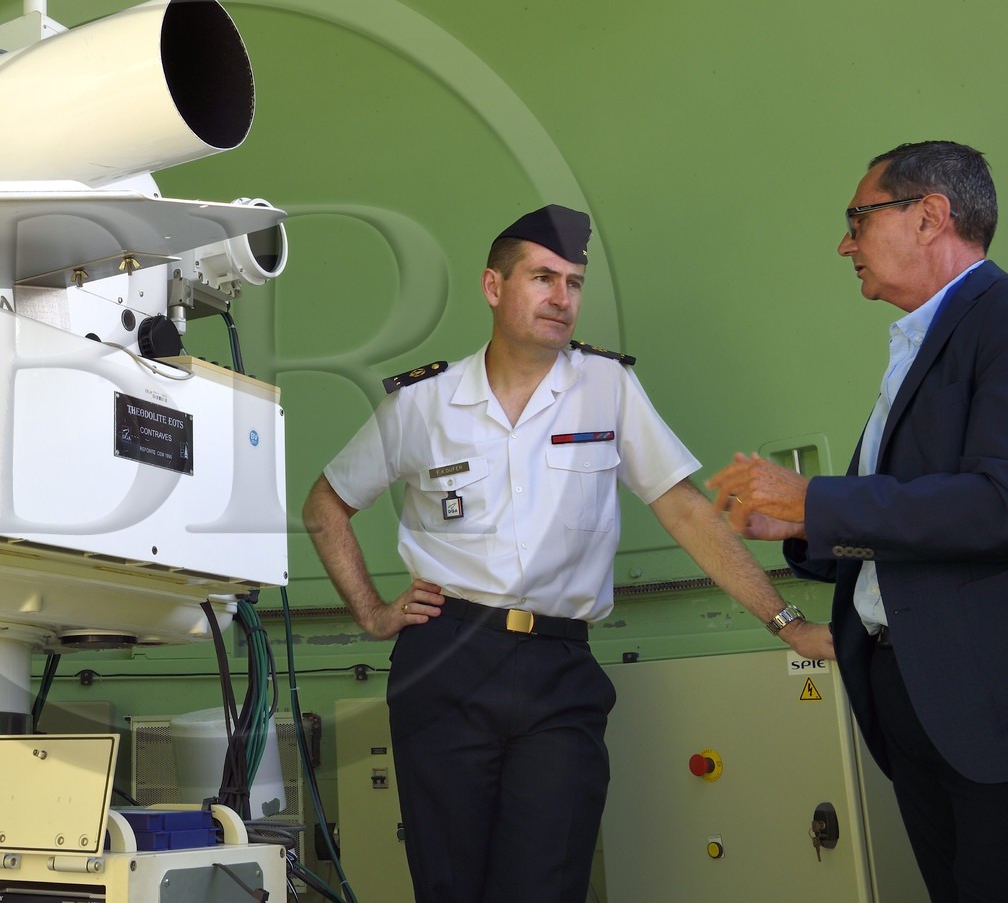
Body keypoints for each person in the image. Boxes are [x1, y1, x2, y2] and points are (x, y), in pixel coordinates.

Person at [303, 204, 833, 903]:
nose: (562, 298)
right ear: (494, 287)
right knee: (449, 883)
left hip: (560, 668)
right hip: (447, 660)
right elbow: (324, 507)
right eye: (544, 278)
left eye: (575, 283)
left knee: (549, 883)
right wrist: (372, 613)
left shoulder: (606, 388)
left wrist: (784, 620)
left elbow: (683, 509)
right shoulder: (423, 404)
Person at [709, 140, 1008, 903]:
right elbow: (906, 525)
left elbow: (993, 505)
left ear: (930, 216)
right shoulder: (917, 344)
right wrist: (801, 530)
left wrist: (813, 498)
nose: (845, 243)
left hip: (984, 706)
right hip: (906, 691)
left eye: (858, 218)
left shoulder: (998, 324)